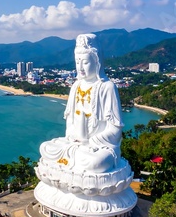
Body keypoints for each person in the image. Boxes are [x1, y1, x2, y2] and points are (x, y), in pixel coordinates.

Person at [39, 34, 123, 173]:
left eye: (85, 62)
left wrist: (91, 142)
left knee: (95, 163)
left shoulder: (107, 87)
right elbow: (70, 121)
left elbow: (115, 130)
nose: (81, 67)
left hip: (99, 147)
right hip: (75, 144)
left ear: (97, 62)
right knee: (45, 148)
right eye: (78, 62)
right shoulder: (76, 86)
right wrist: (73, 136)